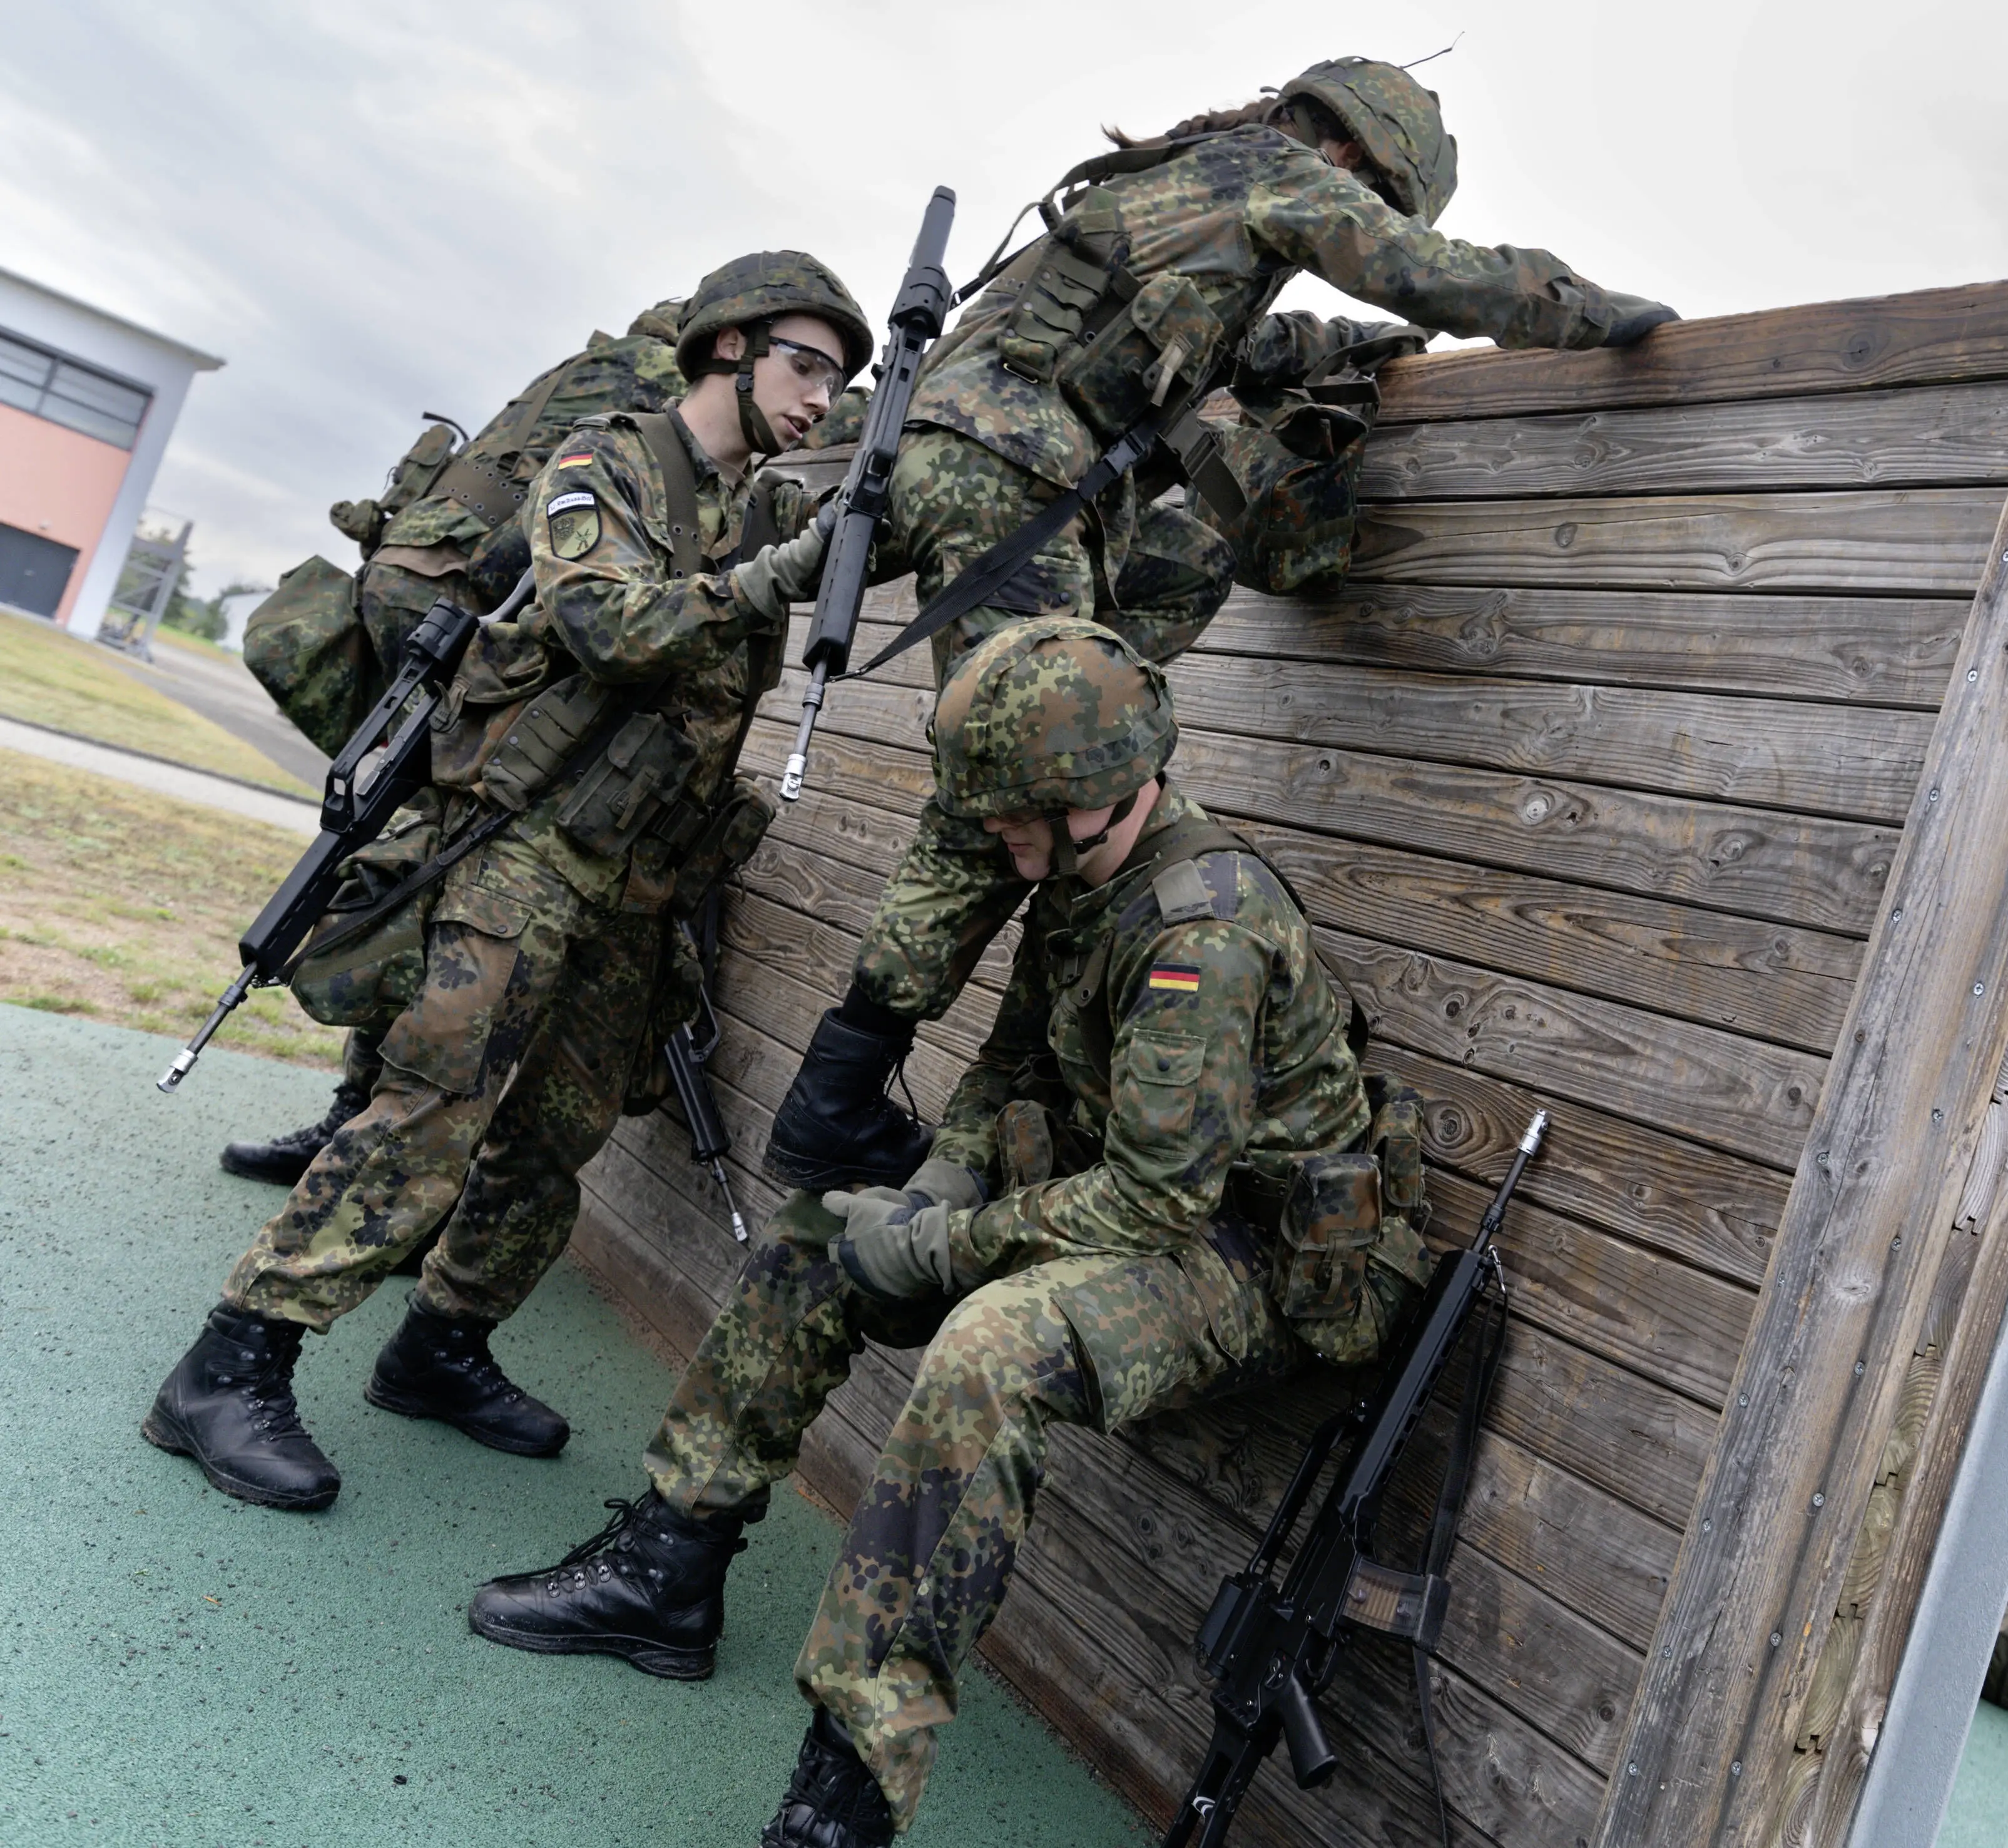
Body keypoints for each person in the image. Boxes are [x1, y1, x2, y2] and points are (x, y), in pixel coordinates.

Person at [471, 620, 1425, 1845]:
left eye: (1009, 812)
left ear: (1094, 796)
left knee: (991, 1349)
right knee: (818, 1235)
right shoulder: (1080, 881)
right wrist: (934, 1189)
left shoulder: (1204, 932)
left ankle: (846, 1797)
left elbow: (1154, 1203)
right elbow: (1004, 1071)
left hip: (1268, 1265)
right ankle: (667, 1566)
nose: (987, 837)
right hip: (1149, 1209)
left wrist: (933, 1253)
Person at [761, 53, 1676, 1200]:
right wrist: (1614, 317)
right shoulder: (1280, 172)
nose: (1363, 214)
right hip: (1011, 473)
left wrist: (1347, 347)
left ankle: (916, 1095)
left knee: (1176, 577)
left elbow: (1218, 347)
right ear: (1353, 151)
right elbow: (1437, 276)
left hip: (985, 461)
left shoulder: (1185, 184)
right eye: (1374, 197)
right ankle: (833, 1108)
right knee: (1021, 798)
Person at [143, 252, 872, 1513]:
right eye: (805, 365)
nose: (821, 399)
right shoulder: (606, 460)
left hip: (636, 878)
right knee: (431, 1109)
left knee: (559, 1133)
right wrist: (778, 579)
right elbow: (611, 627)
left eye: (839, 379)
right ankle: (231, 1365)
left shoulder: (755, 510)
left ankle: (441, 1347)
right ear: (726, 349)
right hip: (525, 847)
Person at [220, 298, 692, 1188]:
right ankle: (363, 1132)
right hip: (476, 643)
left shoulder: (578, 369)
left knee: (410, 872)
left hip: (413, 618)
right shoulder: (662, 398)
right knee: (429, 889)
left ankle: (354, 1125)